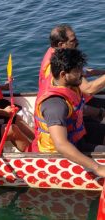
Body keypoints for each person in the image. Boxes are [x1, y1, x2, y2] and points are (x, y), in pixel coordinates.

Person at [34, 48, 105, 177]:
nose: (82, 75)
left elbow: (77, 108)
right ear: (63, 74)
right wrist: (97, 167)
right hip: (64, 151)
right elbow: (61, 145)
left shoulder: (68, 85)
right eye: (77, 71)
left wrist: (100, 113)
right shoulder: (55, 105)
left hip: (77, 134)